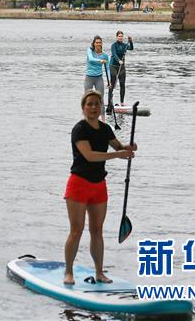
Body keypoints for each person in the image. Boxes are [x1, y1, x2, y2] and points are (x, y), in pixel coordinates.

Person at [63, 89, 137, 285]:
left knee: (97, 231)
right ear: (83, 108)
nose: (94, 107)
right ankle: (68, 272)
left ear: (101, 107)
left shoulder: (105, 129)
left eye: (97, 104)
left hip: (99, 186)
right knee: (76, 231)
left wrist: (127, 148)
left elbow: (117, 146)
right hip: (78, 184)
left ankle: (99, 273)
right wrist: (117, 155)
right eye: (90, 104)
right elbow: (90, 155)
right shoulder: (79, 129)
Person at [108, 31, 134, 106]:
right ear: (116, 37)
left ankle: (122, 102)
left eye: (122, 36)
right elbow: (114, 54)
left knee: (122, 84)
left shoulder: (125, 45)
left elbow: (131, 48)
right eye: (119, 36)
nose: (120, 37)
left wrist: (131, 41)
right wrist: (119, 60)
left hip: (121, 67)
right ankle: (110, 102)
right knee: (112, 84)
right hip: (113, 66)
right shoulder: (113, 45)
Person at [84, 36, 110, 105]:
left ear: (101, 44)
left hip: (99, 78)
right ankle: (86, 115)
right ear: (94, 44)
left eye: (100, 43)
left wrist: (109, 81)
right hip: (89, 77)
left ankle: (103, 116)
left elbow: (108, 69)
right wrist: (100, 61)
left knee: (100, 99)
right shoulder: (89, 51)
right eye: (97, 42)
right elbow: (91, 59)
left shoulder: (105, 55)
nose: (98, 44)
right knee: (87, 99)